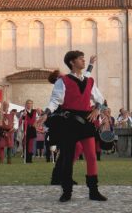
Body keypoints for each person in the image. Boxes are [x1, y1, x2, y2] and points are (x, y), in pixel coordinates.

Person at [40, 50, 108, 202]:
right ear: (72, 62)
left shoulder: (90, 81)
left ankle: (93, 191)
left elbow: (99, 98)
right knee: (68, 157)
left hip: (86, 121)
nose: (83, 61)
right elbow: (55, 100)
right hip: (68, 122)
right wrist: (46, 112)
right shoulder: (62, 81)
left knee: (91, 156)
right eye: (80, 59)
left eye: (84, 59)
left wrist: (97, 109)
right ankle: (66, 191)